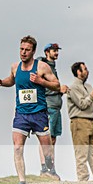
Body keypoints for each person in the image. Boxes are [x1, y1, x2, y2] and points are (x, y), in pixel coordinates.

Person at [0, 35, 61, 184]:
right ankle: (22, 183)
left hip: (39, 114)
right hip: (21, 114)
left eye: (27, 50)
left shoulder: (42, 67)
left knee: (47, 150)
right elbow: (12, 80)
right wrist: (1, 83)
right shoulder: (15, 66)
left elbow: (57, 85)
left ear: (33, 51)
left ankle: (49, 162)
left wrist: (41, 81)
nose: (23, 52)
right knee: (17, 148)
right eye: (21, 49)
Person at [37, 43, 68, 176]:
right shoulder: (42, 65)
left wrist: (60, 92)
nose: (56, 53)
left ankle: (51, 166)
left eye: (57, 51)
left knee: (53, 139)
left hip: (56, 107)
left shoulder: (52, 67)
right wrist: (57, 89)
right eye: (53, 50)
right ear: (46, 52)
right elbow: (41, 85)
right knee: (46, 137)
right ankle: (45, 167)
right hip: (48, 106)